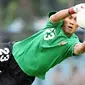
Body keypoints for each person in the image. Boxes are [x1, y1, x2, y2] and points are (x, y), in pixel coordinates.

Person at [0, 3, 85, 85]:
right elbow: (55, 17)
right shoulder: (55, 24)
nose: (72, 22)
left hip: (22, 76)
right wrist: (73, 9)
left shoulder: (72, 42)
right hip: (12, 52)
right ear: (64, 18)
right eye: (70, 18)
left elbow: (80, 49)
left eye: (75, 20)